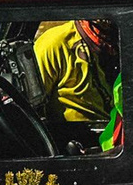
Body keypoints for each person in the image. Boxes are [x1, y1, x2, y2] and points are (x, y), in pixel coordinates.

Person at [34, 18, 122, 153]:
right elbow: (31, 110)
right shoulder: (54, 44)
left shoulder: (132, 38)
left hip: (121, 141)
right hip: (78, 147)